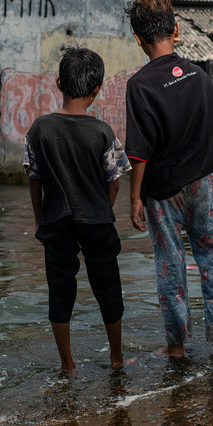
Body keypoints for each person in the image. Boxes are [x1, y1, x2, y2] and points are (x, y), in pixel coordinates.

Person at [123, 0, 213, 357]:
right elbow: (212, 135)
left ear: (138, 39)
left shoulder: (139, 85)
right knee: (212, 257)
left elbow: (139, 150)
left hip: (161, 192)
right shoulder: (198, 76)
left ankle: (176, 346)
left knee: (170, 265)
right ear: (176, 30)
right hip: (202, 183)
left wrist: (134, 197)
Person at [24, 45, 133, 374]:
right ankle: (116, 358)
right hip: (97, 220)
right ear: (98, 88)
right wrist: (103, 207)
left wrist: (38, 219)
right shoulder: (102, 132)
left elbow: (35, 178)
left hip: (56, 221)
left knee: (60, 290)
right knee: (107, 287)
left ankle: (67, 364)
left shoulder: (39, 129)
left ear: (59, 83)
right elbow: (114, 180)